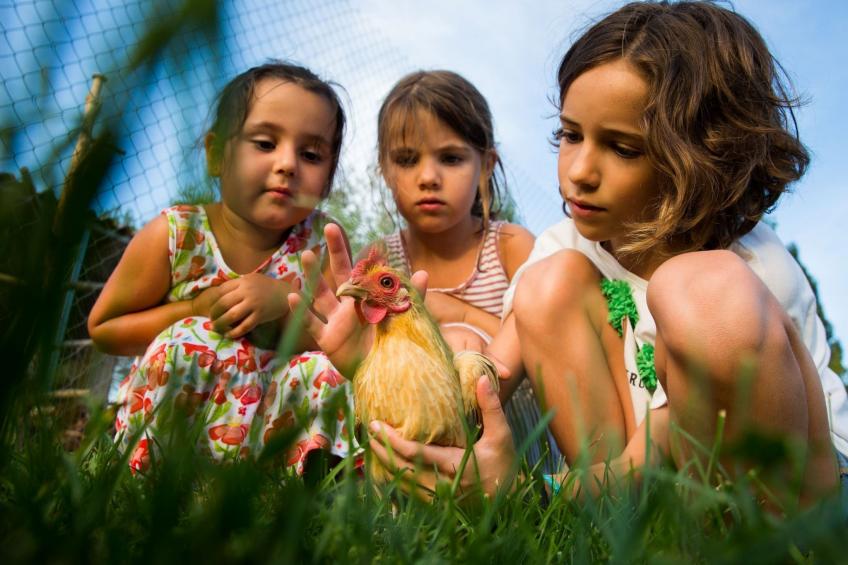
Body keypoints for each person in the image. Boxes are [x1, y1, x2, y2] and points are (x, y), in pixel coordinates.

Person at [301, 2, 848, 507]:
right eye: (570, 135)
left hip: (801, 485)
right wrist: (383, 360)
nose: (578, 170)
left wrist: (530, 492)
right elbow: (488, 374)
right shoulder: (567, 246)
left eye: (622, 147)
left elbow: (663, 443)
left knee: (695, 291)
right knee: (545, 285)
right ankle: (625, 527)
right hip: (664, 486)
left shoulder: (746, 271)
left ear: (702, 157)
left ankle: (780, 536)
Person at [88, 62, 355, 475]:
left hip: (270, 428)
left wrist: (285, 306)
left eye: (311, 154)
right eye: (265, 143)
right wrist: (193, 310)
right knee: (183, 343)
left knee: (331, 369)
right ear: (216, 155)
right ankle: (152, 471)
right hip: (183, 424)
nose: (288, 164)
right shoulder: (177, 234)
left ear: (328, 178)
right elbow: (104, 328)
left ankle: (316, 480)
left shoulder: (322, 244)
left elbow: (338, 339)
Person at [369, 70, 561, 469]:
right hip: (410, 427)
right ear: (386, 171)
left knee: (460, 343)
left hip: (511, 426)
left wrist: (461, 316)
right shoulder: (381, 259)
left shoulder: (509, 245)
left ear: (486, 166)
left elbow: (543, 338)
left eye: (451, 158)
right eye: (406, 160)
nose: (428, 177)